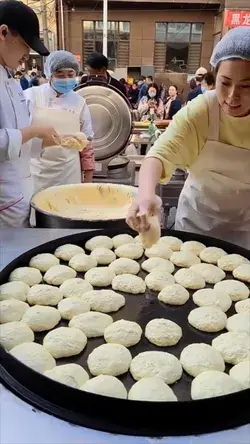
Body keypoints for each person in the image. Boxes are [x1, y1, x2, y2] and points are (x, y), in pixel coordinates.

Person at [127, 26, 250, 249]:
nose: (233, 96)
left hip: (246, 233)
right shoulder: (202, 111)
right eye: (225, 83)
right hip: (195, 228)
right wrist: (146, 195)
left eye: (247, 86)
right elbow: (158, 156)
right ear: (215, 76)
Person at [0, 0, 58, 228]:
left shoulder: (11, 81)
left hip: (18, 196)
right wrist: (33, 131)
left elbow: (19, 139)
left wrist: (42, 141)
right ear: (3, 32)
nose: (27, 54)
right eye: (25, 45)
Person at [25, 50, 95, 195]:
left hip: (68, 173)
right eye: (60, 74)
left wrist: (87, 181)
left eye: (70, 75)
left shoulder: (79, 102)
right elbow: (20, 136)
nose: (66, 79)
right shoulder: (32, 96)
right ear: (49, 74)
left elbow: (87, 145)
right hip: (37, 172)